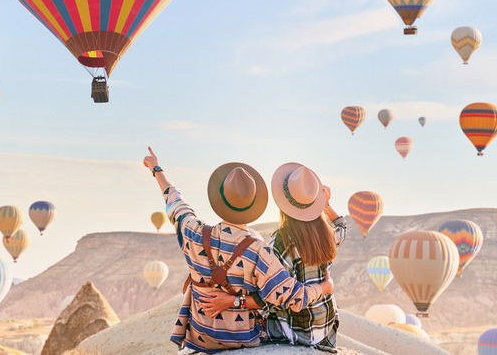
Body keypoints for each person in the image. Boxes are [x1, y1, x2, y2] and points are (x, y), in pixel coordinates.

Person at [142, 148, 334, 354]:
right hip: (243, 340)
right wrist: (326, 287)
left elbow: (175, 202)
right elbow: (295, 298)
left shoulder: (192, 231)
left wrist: (156, 169)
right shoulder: (259, 251)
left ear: (219, 198)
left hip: (201, 337)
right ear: (254, 204)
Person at [201, 163, 346, 352]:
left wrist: (230, 301)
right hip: (325, 327)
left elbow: (268, 299)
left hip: (294, 331)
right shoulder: (327, 233)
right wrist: (325, 206)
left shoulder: (282, 243)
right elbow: (341, 227)